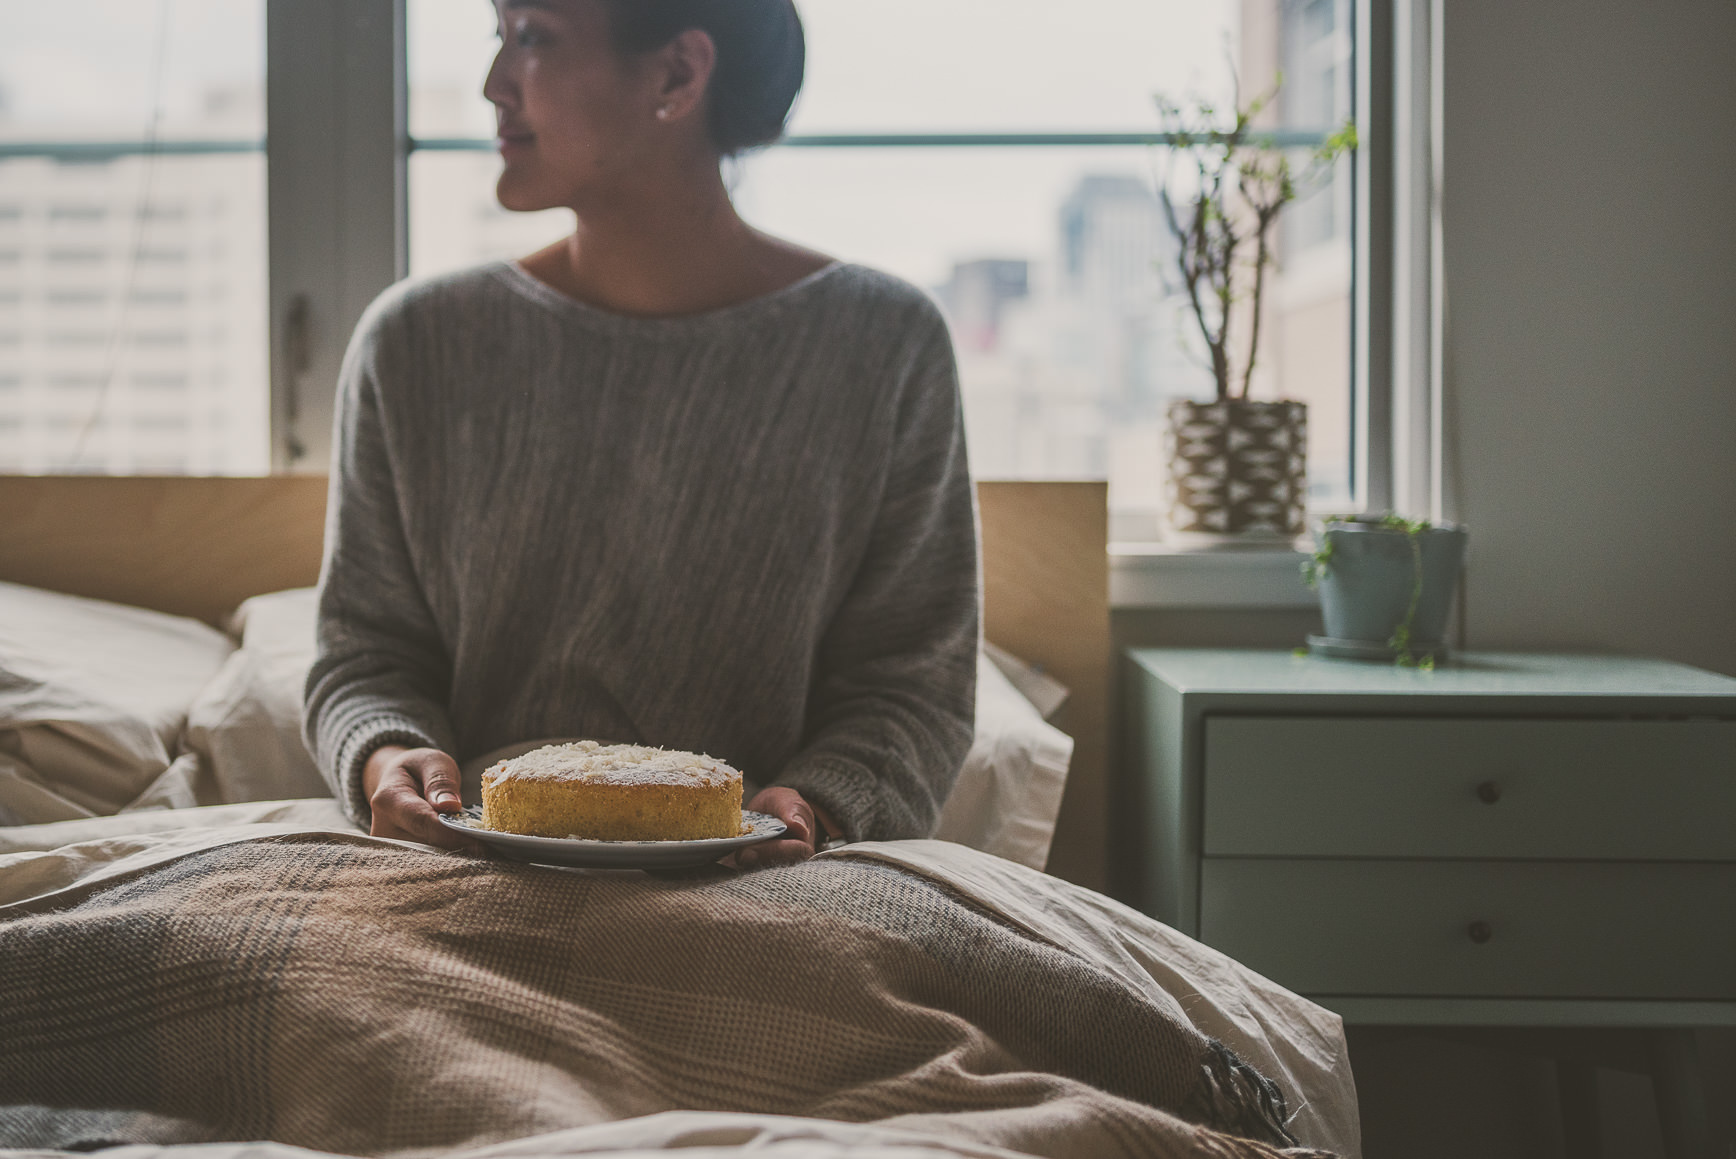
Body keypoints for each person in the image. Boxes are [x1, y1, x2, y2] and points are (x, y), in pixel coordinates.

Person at [303, 0, 979, 868]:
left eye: (534, 37)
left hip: (769, 889)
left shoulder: (885, 348)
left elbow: (911, 682)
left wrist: (821, 801)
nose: (493, 83)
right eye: (498, 37)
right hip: (471, 873)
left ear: (676, 76)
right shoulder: (415, 345)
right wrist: (385, 754)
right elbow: (365, 651)